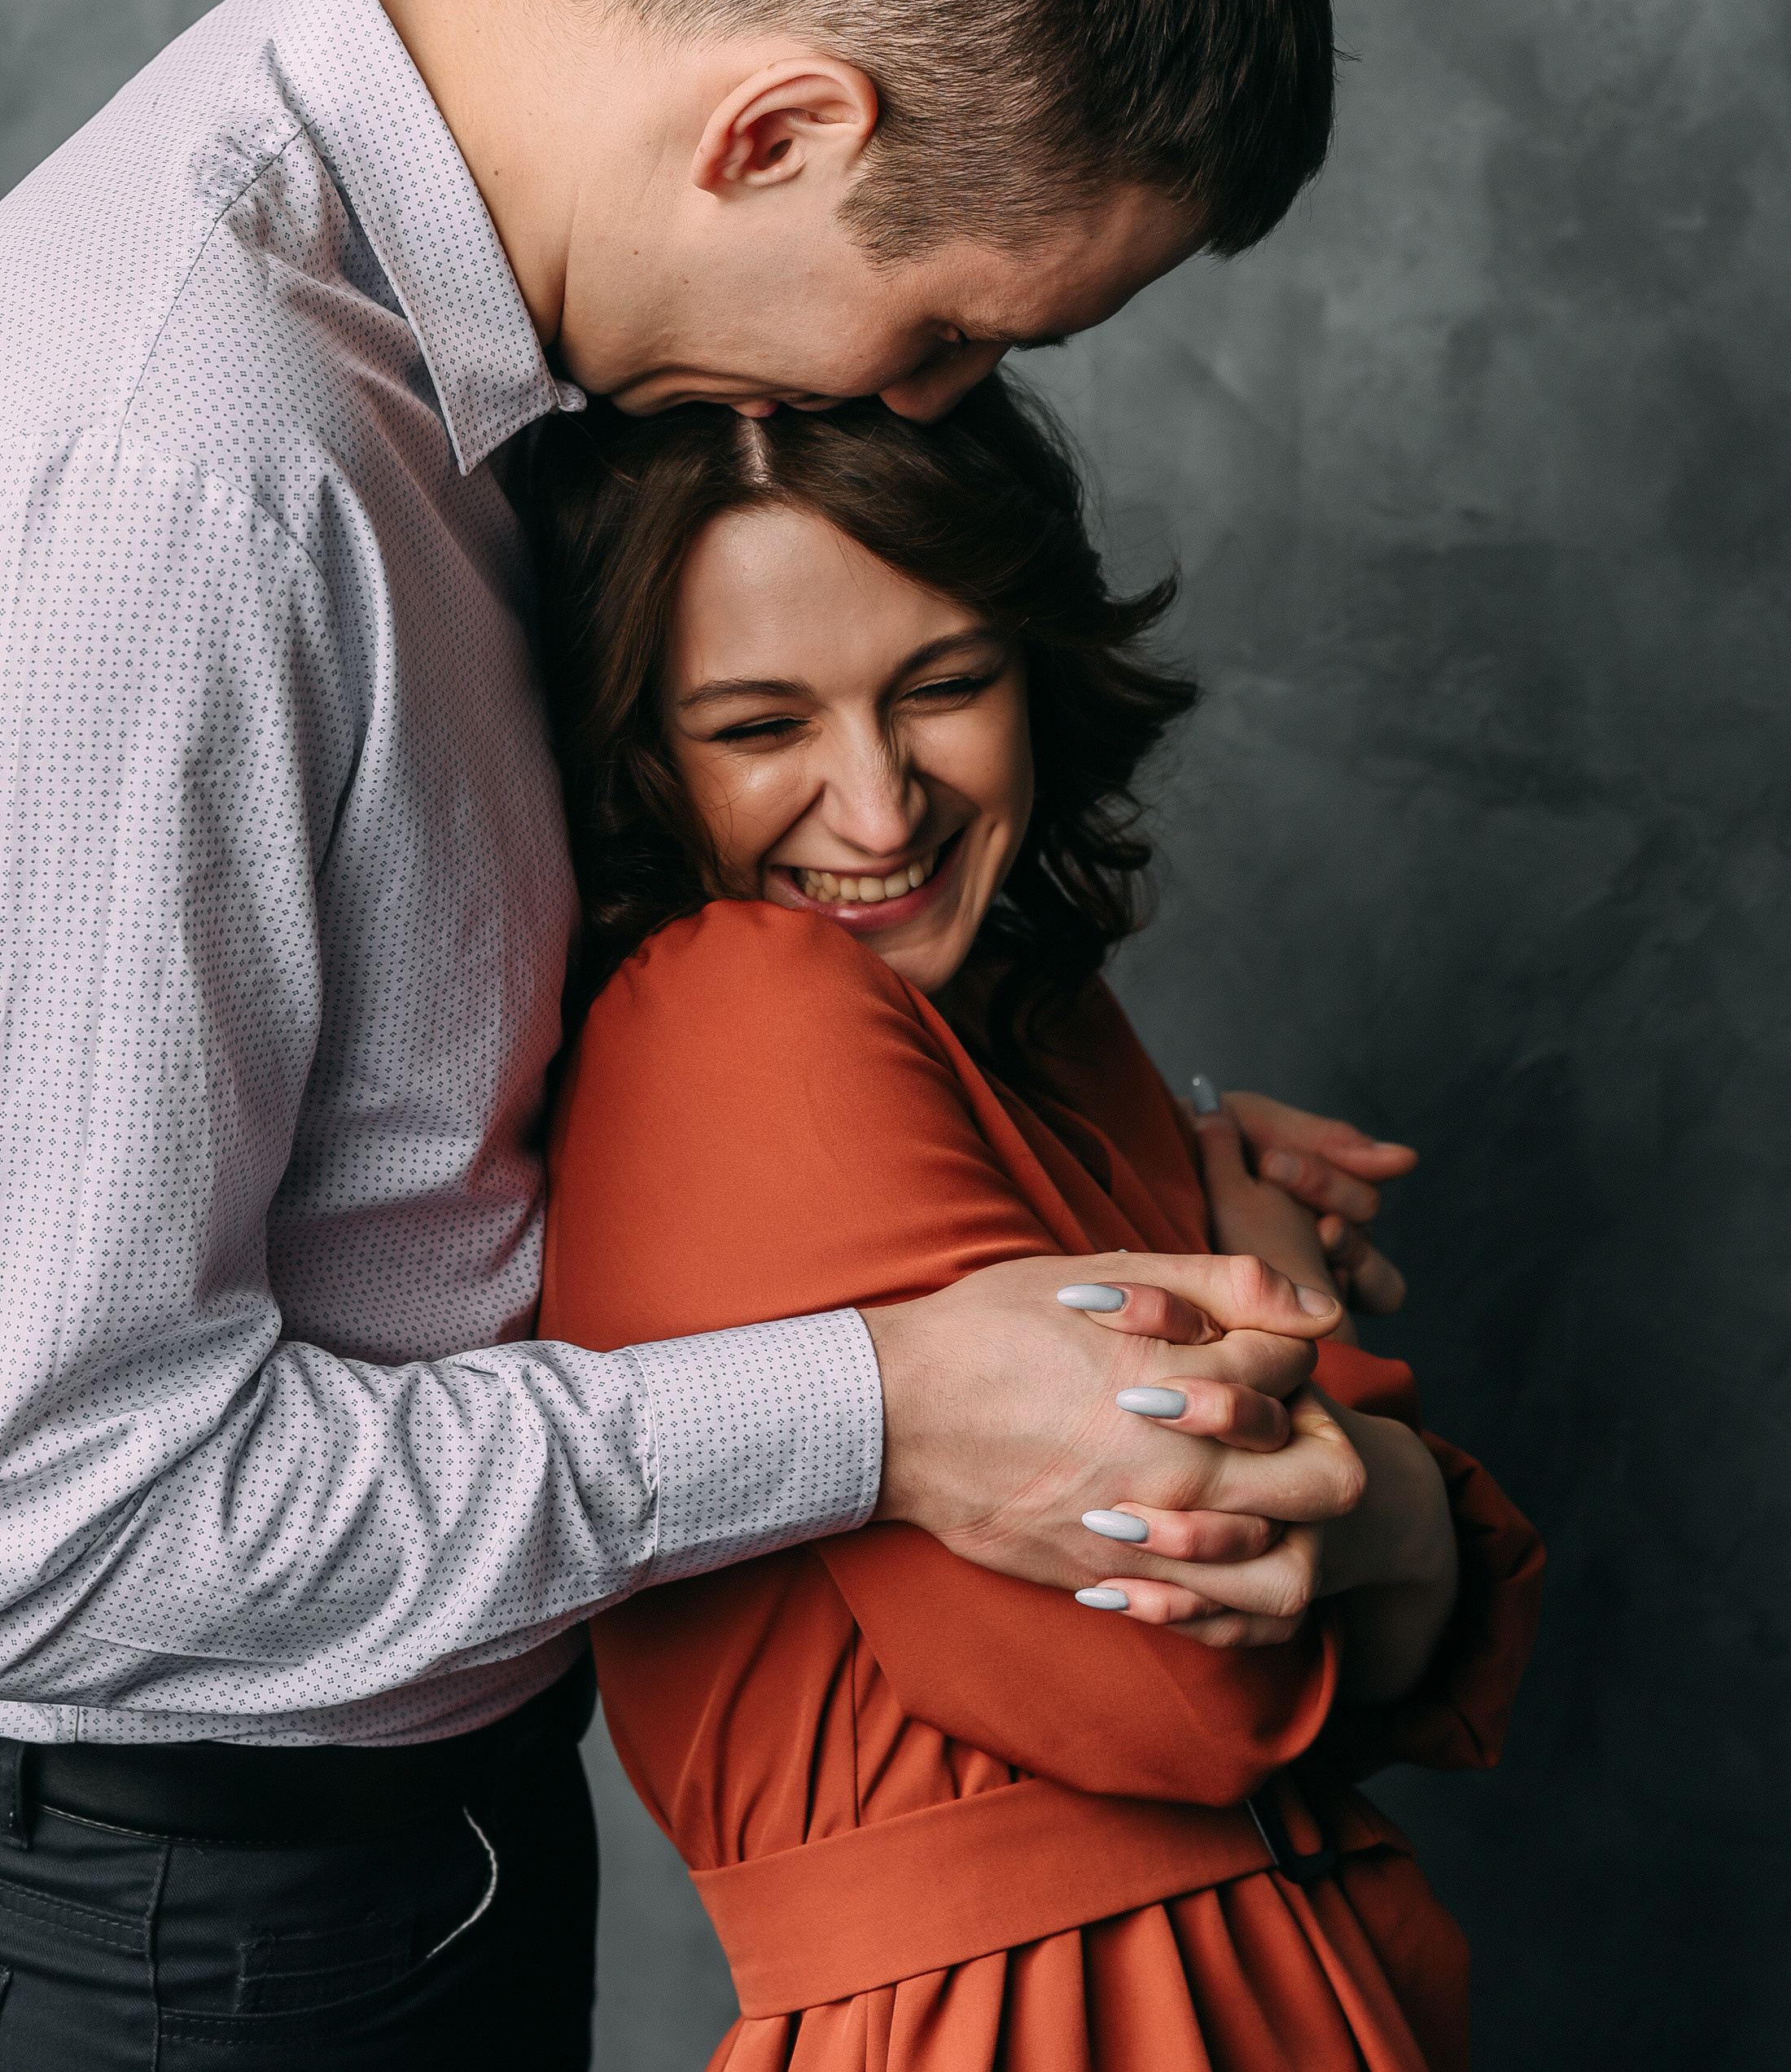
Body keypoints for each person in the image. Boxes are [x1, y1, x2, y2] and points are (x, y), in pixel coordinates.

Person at [0, 0, 1407, 2064]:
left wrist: (1090, 1177)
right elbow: (63, 1522)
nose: (913, 413)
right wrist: (879, 1404)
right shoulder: (193, 472)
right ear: (768, 133)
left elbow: (458, 1109)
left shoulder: (462, 292)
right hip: (208, 1920)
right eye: (951, 331)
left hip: (430, 1839)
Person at [532, 383, 1543, 2071]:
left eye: (942, 687)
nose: (877, 811)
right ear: (640, 749)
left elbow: (1400, 1637)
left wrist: (1333, 1488)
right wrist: (1304, 1340)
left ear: (1035, 665)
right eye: (759, 727)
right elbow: (1188, 1690)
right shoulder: (733, 1007)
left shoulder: (1044, 1017)